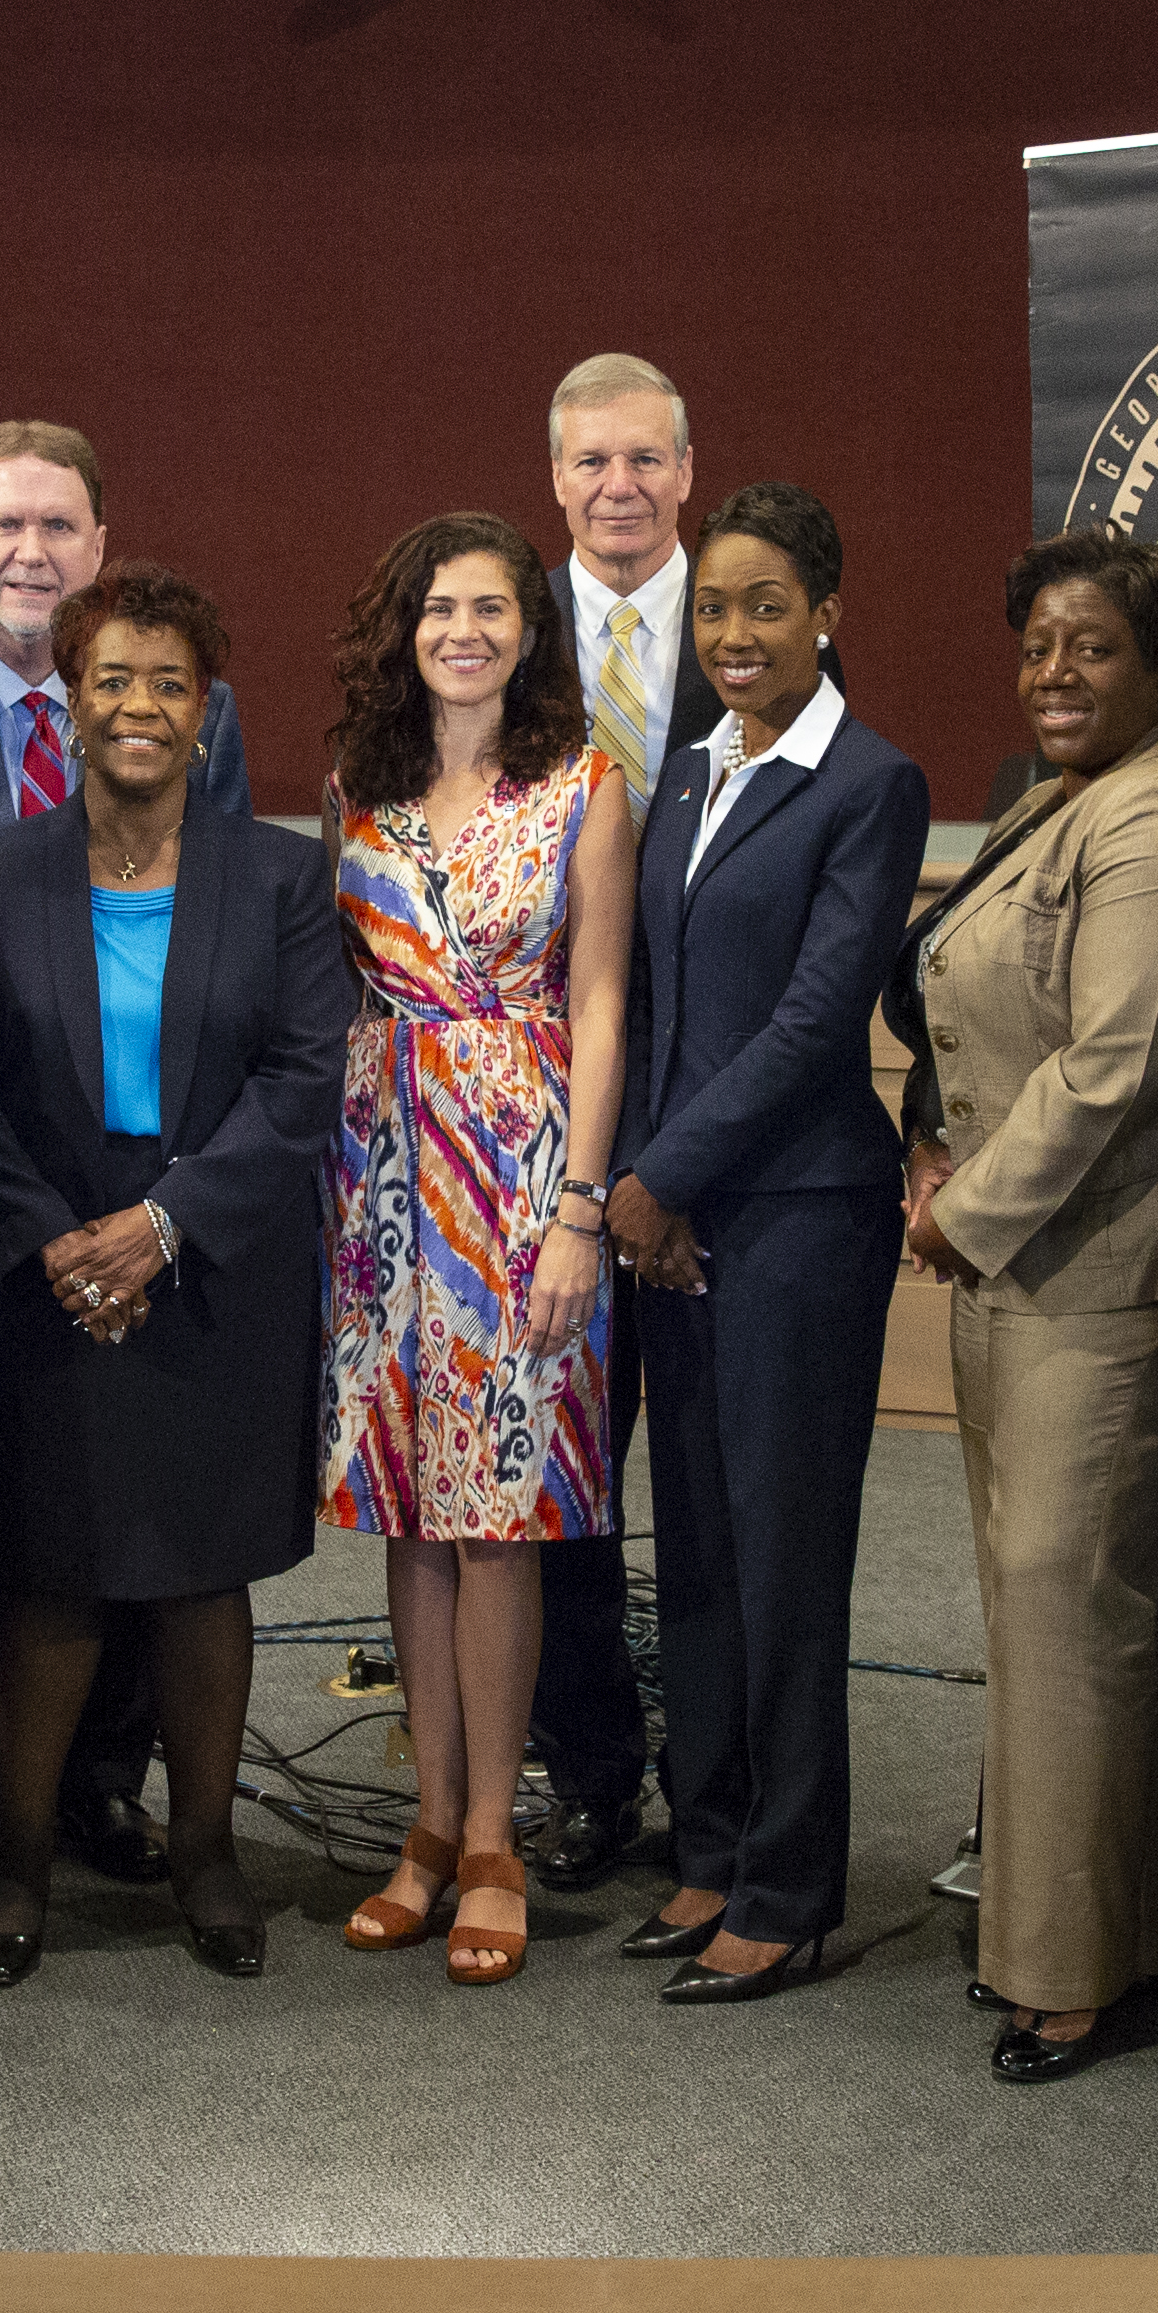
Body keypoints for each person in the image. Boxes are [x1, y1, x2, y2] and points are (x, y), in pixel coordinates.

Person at [0, 562, 353, 1987]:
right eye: (113, 678)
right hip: (47, 1264)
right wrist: (58, 1239)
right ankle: (22, 1857)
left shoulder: (284, 875)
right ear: (71, 697)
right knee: (48, 1575)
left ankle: (207, 1850)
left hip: (209, 1265)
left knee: (198, 1577)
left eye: (171, 683)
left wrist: (163, 1228)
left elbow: (301, 1084)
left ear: (208, 711)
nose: (140, 706)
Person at [897, 532, 1158, 2082]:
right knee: (1059, 1614)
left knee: (1060, 1602)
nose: (1055, 673)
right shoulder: (1066, 798)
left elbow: (1118, 1064)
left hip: (1101, 1283)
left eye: (1093, 648)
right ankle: (1107, 1929)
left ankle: (1067, 1973)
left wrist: (963, 1209)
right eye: (1038, 644)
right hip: (1025, 1272)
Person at [0, 421, 244, 1896]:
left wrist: (154, 1211)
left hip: (150, 1181)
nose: (33, 552)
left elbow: (222, 945)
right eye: (5, 526)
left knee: (142, 1495)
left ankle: (104, 1782)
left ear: (100, 547)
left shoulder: (190, 705)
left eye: (62, 527)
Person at [598, 483, 927, 2007]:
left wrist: (663, 1175)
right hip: (673, 1222)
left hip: (798, 1221)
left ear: (829, 613)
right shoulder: (686, 776)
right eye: (714, 610)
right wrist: (639, 1188)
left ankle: (791, 1886)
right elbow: (655, 996)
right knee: (706, 1556)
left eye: (766, 607)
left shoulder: (869, 783)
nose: (735, 634)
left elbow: (812, 1024)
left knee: (789, 1561)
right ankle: (713, 1843)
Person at [320, 509, 639, 1988]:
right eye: (440, 605)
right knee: (412, 1504)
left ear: (532, 630)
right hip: (381, 1172)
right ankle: (429, 1828)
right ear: (407, 627)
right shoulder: (358, 792)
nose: (465, 630)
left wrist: (584, 1205)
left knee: (502, 1510)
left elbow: (605, 1002)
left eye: (493, 608)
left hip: (520, 1172)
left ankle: (500, 1833)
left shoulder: (585, 785)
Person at [527, 353, 710, 1888]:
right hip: (539, 1145)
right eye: (592, 463)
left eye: (644, 460)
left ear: (687, 472)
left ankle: (725, 1781)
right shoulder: (499, 641)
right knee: (563, 1482)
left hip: (723, 1144)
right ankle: (588, 1771)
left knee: (713, 1485)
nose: (619, 489)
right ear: (558, 480)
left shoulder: (756, 627)